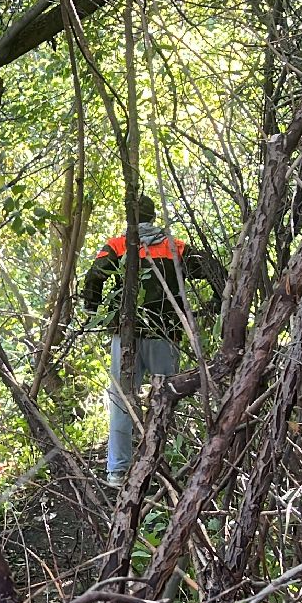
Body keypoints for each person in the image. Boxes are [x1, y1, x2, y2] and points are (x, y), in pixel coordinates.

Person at [82, 196, 227, 487]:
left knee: (122, 400)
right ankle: (161, 467)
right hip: (166, 334)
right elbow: (217, 273)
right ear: (153, 216)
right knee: (166, 399)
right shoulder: (177, 247)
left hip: (126, 337)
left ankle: (117, 471)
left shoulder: (119, 245)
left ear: (129, 218)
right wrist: (214, 306)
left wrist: (91, 311)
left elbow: (95, 275)